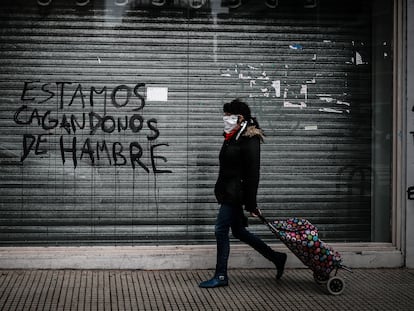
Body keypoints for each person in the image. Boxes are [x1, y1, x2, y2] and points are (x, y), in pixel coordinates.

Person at [199, 98, 287, 288]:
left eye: (227, 116)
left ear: (239, 118)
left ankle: (221, 275)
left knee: (220, 230)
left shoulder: (249, 139)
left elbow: (252, 174)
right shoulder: (233, 136)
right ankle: (277, 258)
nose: (224, 119)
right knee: (239, 231)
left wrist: (251, 203)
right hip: (228, 192)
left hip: (235, 194)